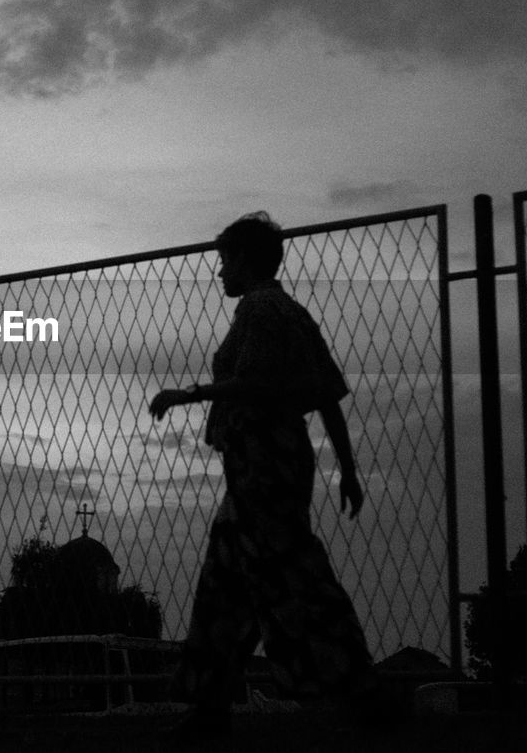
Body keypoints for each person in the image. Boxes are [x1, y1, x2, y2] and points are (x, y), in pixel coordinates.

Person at [148, 211, 379, 743]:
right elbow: (326, 397)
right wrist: (346, 469)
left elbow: (251, 381)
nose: (220, 271)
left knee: (296, 580)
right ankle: (211, 708)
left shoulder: (260, 309)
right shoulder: (291, 312)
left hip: (263, 467)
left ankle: (361, 691)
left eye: (225, 260)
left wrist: (189, 395)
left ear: (247, 261)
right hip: (268, 465)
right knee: (226, 584)